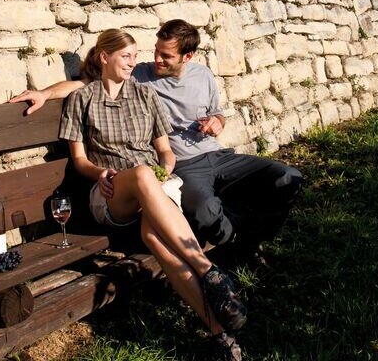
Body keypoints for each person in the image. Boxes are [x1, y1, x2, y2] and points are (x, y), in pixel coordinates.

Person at [12, 19, 303, 265]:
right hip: (182, 165)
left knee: (287, 178)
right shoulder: (139, 75)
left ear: (187, 57)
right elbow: (84, 83)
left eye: (166, 56)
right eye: (156, 52)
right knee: (204, 213)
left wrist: (218, 122)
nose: (156, 60)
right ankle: (240, 247)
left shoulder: (203, 75)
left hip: (217, 154)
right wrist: (44, 94)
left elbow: (217, 113)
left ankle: (251, 238)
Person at [55, 28, 244, 361]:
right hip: (112, 192)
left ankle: (220, 336)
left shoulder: (146, 96)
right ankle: (209, 271)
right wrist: (102, 173)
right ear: (104, 58)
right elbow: (80, 160)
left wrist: (166, 169)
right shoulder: (82, 99)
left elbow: (164, 151)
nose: (133, 62)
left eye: (133, 56)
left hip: (154, 188)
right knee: (142, 173)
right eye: (126, 56)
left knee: (157, 238)